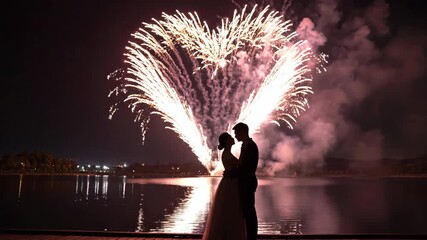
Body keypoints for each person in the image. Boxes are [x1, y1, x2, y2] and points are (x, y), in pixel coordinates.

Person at [202, 132, 246, 240]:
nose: (233, 138)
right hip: (230, 184)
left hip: (228, 182)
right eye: (230, 137)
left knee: (227, 209)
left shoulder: (227, 153)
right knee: (231, 208)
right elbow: (235, 169)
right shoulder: (227, 154)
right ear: (226, 142)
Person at [233, 122, 259, 240]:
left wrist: (232, 173)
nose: (235, 136)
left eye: (236, 133)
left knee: (249, 212)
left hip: (247, 183)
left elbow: (247, 167)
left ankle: (252, 237)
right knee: (247, 211)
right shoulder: (246, 145)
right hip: (245, 183)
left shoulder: (251, 146)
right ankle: (249, 236)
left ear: (242, 132)